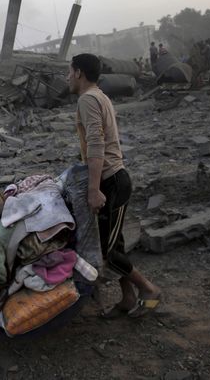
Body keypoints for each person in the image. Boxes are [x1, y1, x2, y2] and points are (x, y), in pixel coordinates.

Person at [66, 53, 161, 319]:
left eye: (69, 71)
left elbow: (96, 143)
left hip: (112, 182)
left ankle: (148, 289)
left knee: (107, 253)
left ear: (79, 73)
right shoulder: (99, 96)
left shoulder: (87, 99)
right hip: (111, 180)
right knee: (114, 244)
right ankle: (128, 297)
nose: (67, 77)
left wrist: (94, 189)